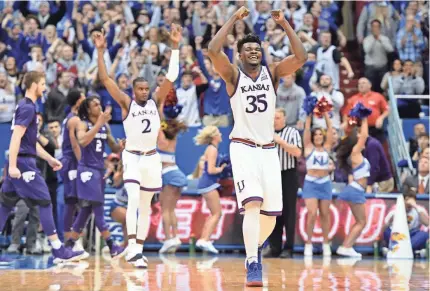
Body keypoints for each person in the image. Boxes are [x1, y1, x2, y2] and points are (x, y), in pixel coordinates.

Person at [208, 7, 307, 287]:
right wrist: (233, 20)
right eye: (247, 49)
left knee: (271, 216)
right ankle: (252, 261)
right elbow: (213, 50)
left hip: (268, 151)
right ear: (240, 55)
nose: (253, 52)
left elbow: (301, 57)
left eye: (256, 48)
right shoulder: (233, 76)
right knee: (252, 204)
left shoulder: (273, 73)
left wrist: (284, 23)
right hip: (243, 147)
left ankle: (256, 249)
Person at [94, 24, 182, 268]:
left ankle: (138, 250)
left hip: (152, 158)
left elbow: (172, 76)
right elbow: (105, 79)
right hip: (132, 157)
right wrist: (101, 52)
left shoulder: (156, 101)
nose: (144, 92)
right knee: (132, 199)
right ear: (133, 91)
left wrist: (175, 46)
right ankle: (132, 247)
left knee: (145, 206)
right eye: (140, 89)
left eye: (146, 88)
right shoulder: (126, 103)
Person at [0, 71, 83, 264]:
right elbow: (16, 138)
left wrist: (49, 159)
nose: (45, 87)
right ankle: (58, 249)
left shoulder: (29, 107)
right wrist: (13, 165)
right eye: (43, 83)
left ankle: (57, 248)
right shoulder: (27, 108)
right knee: (45, 201)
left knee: (4, 206)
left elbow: (31, 142)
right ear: (34, 84)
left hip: (23, 160)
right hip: (23, 164)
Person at [66, 96, 125, 259]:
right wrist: (99, 123)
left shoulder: (105, 126)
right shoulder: (83, 124)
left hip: (99, 171)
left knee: (86, 211)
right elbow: (82, 141)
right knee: (98, 207)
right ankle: (112, 245)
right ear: (88, 109)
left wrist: (120, 146)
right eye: (95, 105)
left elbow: (113, 145)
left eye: (100, 104)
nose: (99, 107)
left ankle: (68, 246)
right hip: (86, 170)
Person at [264, 108, 302, 258]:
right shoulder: (265, 134)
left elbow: (298, 153)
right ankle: (274, 247)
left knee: (289, 212)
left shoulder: (292, 133)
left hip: (288, 174)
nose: (275, 120)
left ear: (284, 119)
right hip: (271, 175)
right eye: (273, 118)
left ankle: (289, 247)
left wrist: (280, 142)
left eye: (278, 118)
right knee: (273, 212)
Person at [336, 109, 370, 257]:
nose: (362, 138)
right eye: (358, 136)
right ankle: (346, 246)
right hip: (356, 190)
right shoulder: (355, 152)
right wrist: (365, 118)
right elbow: (364, 135)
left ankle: (347, 246)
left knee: (360, 221)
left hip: (356, 189)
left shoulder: (358, 153)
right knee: (362, 222)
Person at [302, 110, 334, 257]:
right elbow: (307, 130)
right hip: (311, 183)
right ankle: (308, 243)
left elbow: (330, 129)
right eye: (316, 135)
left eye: (321, 135)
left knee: (325, 214)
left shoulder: (327, 148)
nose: (319, 137)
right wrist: (309, 114)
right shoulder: (309, 147)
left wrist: (325, 113)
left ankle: (326, 243)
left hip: (325, 183)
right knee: (312, 213)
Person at [158, 105, 188, 254]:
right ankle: (176, 237)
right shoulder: (174, 138)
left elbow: (156, 123)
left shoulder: (160, 137)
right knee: (171, 209)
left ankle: (168, 239)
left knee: (165, 209)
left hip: (168, 174)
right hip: (177, 173)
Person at [60, 89, 87, 256]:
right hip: (71, 163)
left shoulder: (75, 118)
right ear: (78, 101)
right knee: (71, 203)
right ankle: (67, 245)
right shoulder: (74, 119)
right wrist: (82, 164)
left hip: (73, 162)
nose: (85, 99)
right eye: (83, 96)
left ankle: (74, 241)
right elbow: (75, 144)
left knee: (78, 203)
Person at [194, 126, 226, 254]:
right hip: (208, 183)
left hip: (206, 183)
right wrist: (222, 169)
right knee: (217, 213)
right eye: (218, 133)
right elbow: (211, 170)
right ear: (214, 137)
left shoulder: (210, 149)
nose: (221, 135)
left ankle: (204, 239)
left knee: (214, 213)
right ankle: (205, 239)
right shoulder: (212, 150)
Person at [382, 188, 429, 255]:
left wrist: (415, 206)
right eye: (407, 200)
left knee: (424, 235)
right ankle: (411, 251)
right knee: (386, 232)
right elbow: (383, 228)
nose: (408, 203)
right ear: (402, 200)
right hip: (398, 235)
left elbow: (427, 223)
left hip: (412, 234)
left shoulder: (419, 209)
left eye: (411, 200)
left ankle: (398, 249)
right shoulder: (395, 209)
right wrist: (390, 221)